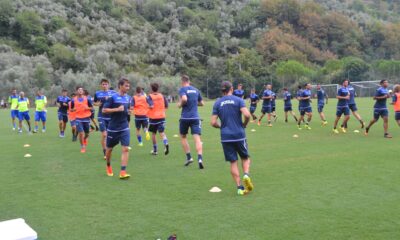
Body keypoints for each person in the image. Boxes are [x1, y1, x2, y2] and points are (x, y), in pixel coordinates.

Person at [211, 81, 254, 196]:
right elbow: (247, 115)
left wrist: (221, 127)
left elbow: (213, 122)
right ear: (232, 89)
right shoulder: (238, 100)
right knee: (245, 157)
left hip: (226, 136)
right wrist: (244, 124)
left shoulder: (217, 103)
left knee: (233, 162)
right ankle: (246, 174)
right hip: (239, 134)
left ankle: (239, 188)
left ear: (222, 90)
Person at [102, 78, 132, 179]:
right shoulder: (113, 98)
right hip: (113, 128)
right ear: (120, 86)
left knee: (126, 149)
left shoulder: (128, 98)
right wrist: (117, 109)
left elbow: (127, 110)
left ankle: (123, 172)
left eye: (129, 86)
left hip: (124, 127)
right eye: (126, 85)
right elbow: (104, 110)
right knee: (109, 149)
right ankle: (108, 166)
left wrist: (128, 112)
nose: (128, 87)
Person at [177, 75, 204, 169]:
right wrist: (193, 103)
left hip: (185, 118)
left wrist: (180, 104)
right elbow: (202, 103)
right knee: (197, 139)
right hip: (195, 117)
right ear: (189, 81)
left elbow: (184, 99)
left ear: (182, 81)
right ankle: (200, 158)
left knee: (183, 136)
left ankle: (189, 157)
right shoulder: (196, 90)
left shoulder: (182, 89)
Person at [94, 79, 116, 158]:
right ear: (101, 85)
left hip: (111, 117)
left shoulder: (113, 93)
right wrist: (97, 104)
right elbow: (94, 102)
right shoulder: (97, 93)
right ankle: (105, 151)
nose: (104, 86)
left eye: (106, 84)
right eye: (103, 84)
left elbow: (116, 102)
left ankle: (108, 149)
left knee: (110, 135)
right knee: (104, 134)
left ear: (108, 85)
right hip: (101, 116)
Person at [147, 83, 169, 155]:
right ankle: (166, 143)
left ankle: (155, 150)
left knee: (153, 133)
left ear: (151, 89)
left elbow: (151, 106)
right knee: (162, 132)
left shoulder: (150, 96)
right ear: (158, 88)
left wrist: (147, 106)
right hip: (162, 116)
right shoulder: (162, 96)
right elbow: (166, 106)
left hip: (153, 118)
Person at [71, 87, 94, 153]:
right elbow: (71, 109)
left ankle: (84, 139)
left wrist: (87, 108)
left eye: (81, 90)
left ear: (83, 91)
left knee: (87, 134)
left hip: (86, 118)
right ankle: (82, 146)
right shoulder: (73, 100)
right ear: (76, 91)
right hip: (78, 118)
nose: (80, 91)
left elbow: (92, 108)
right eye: (79, 90)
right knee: (81, 133)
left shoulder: (87, 99)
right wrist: (74, 110)